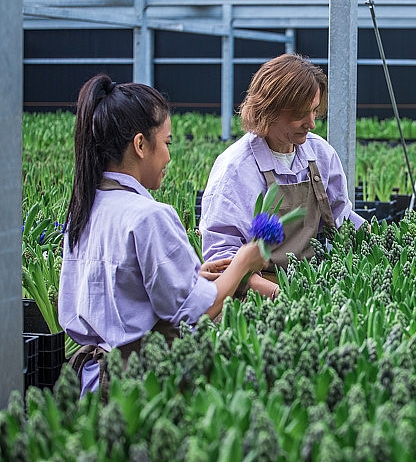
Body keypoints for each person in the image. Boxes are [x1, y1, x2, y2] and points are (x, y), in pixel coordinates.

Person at [59, 74, 266, 396]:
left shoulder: (84, 208)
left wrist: (193, 277)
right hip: (143, 385)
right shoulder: (149, 216)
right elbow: (196, 314)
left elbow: (120, 293)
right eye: (167, 143)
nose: (169, 157)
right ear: (140, 144)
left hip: (89, 382)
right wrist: (244, 263)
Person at [200, 53, 365, 298]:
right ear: (269, 109)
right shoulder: (236, 168)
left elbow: (343, 219)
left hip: (309, 283)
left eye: (314, 111)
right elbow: (222, 261)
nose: (311, 123)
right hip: (253, 297)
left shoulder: (320, 154)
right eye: (300, 114)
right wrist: (281, 295)